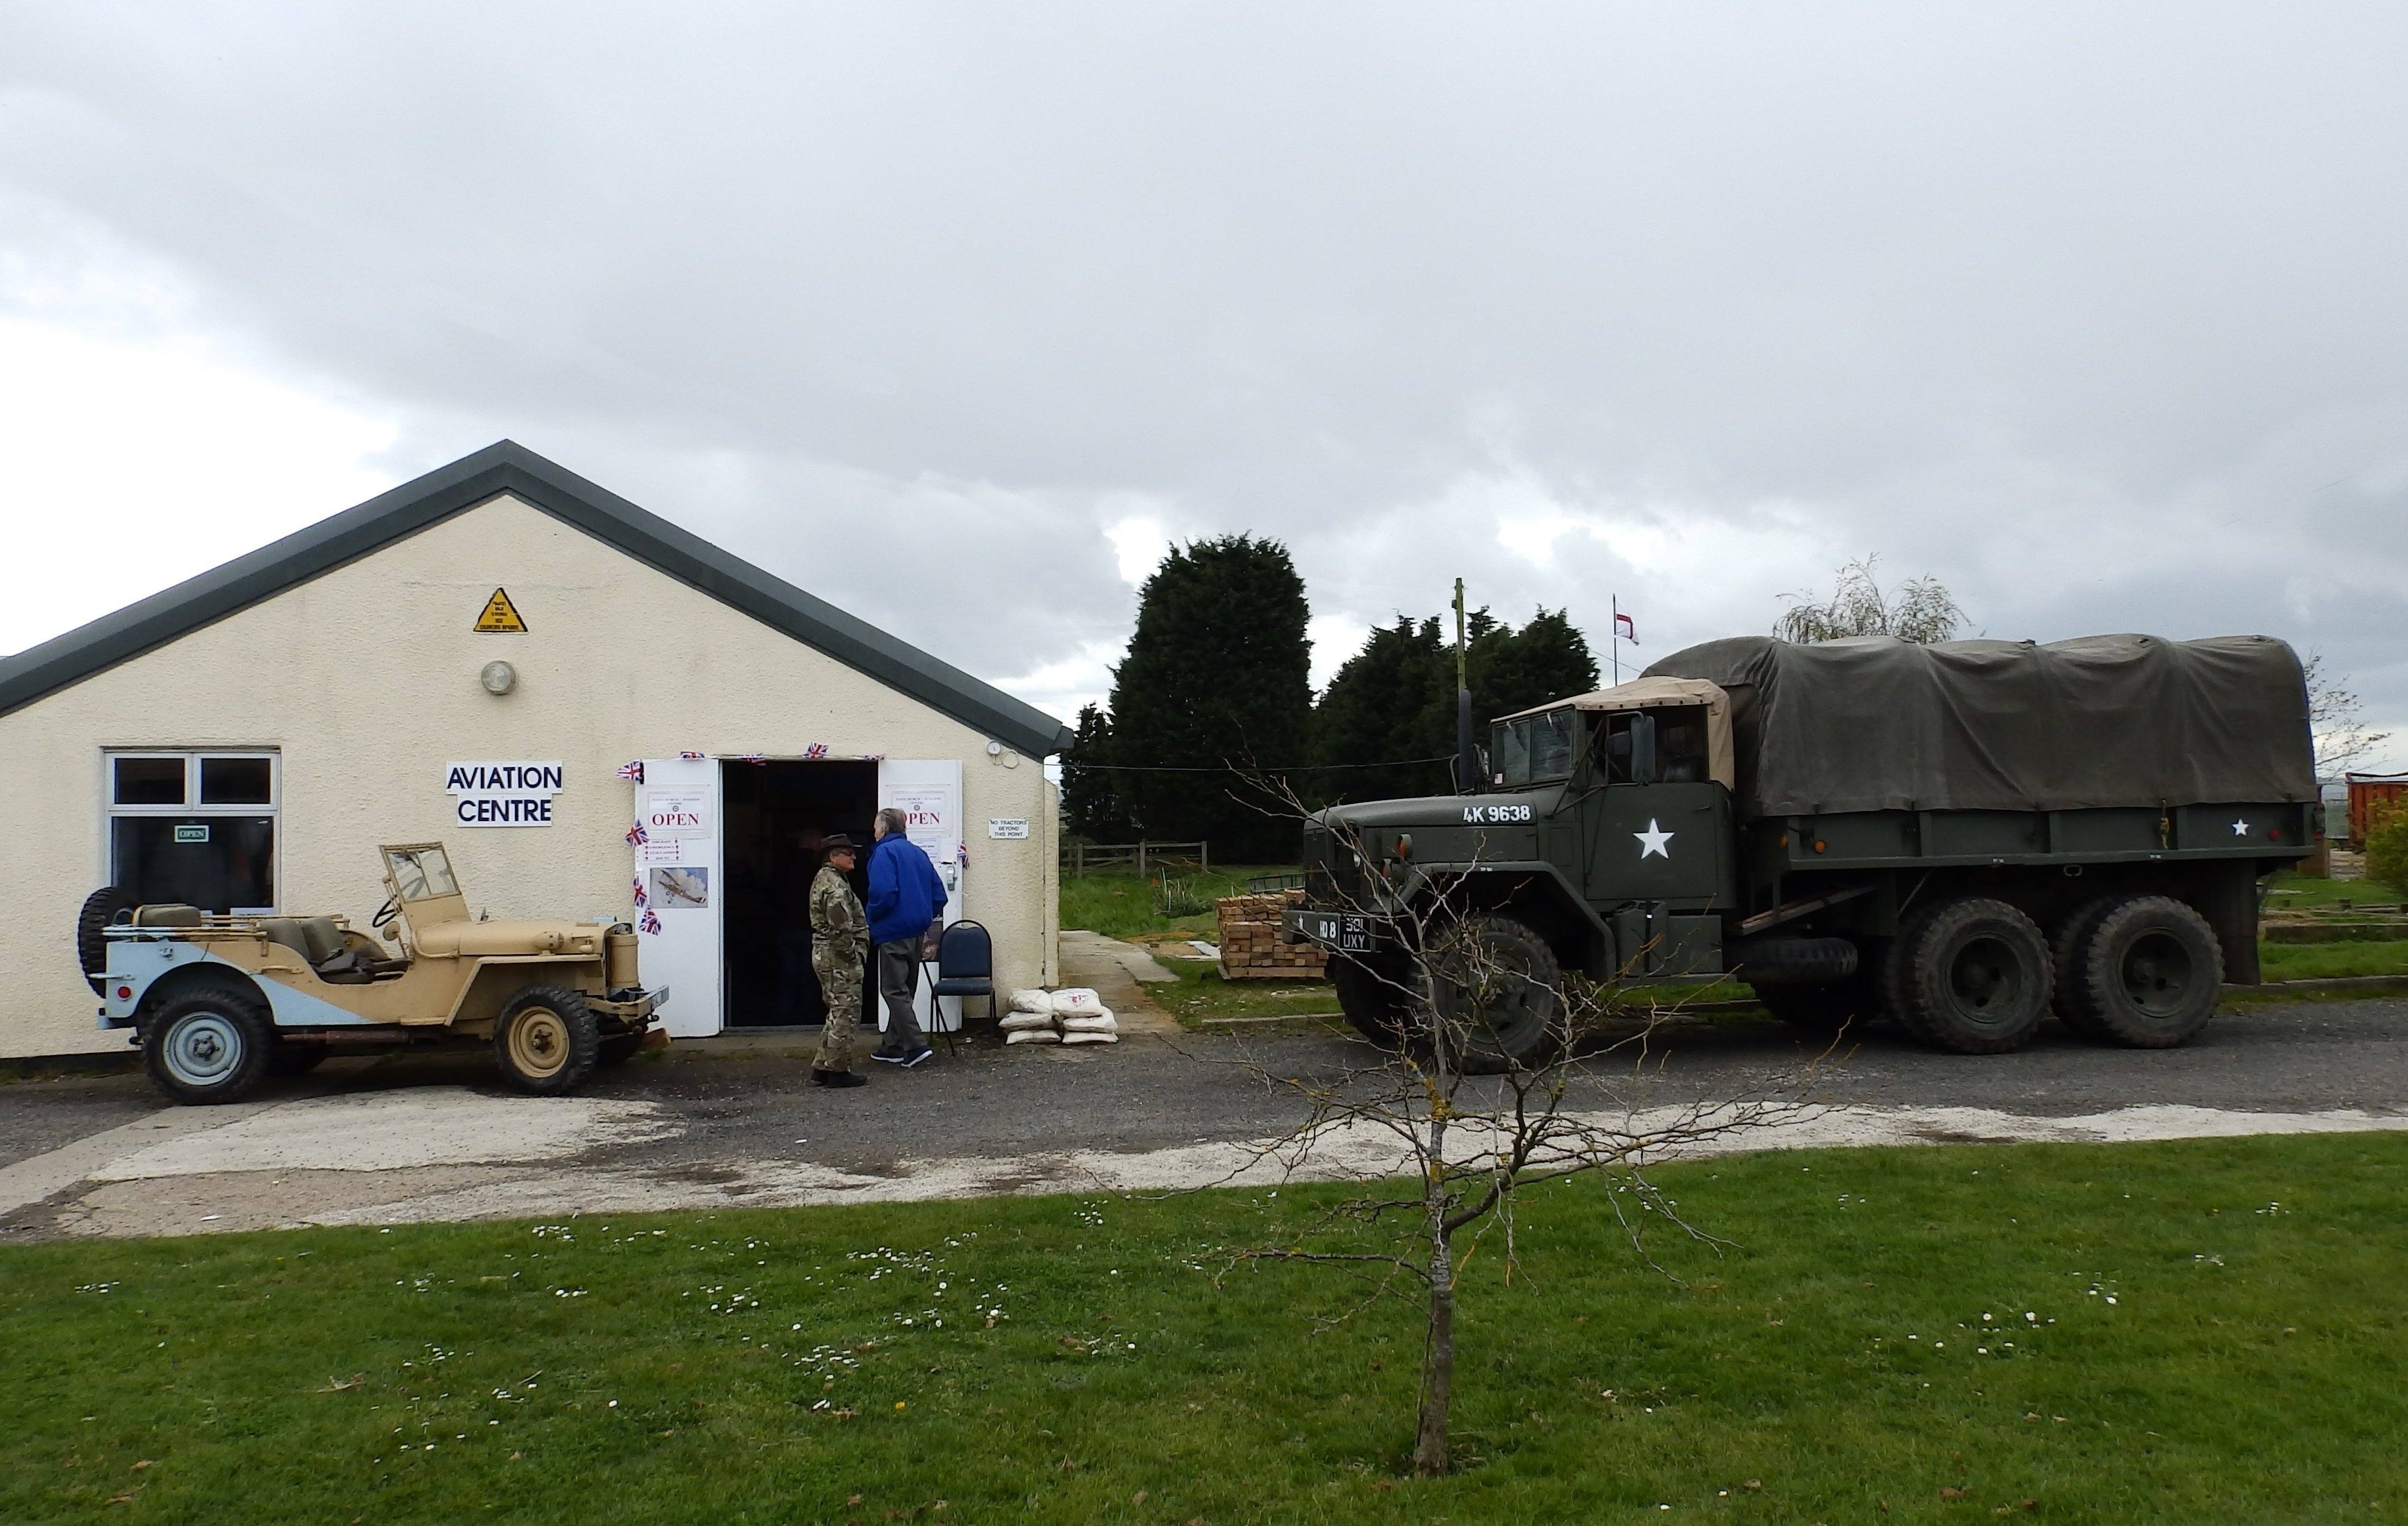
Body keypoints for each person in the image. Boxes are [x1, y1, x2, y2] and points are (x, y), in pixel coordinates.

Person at [865, 806, 947, 1068]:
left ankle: (916, 1045)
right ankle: (892, 1046)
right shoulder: (919, 853)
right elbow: (939, 896)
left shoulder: (883, 853)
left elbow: (883, 893)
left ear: (884, 828)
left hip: (892, 932)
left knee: (892, 990)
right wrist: (922, 917)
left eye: (876, 826)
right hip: (916, 932)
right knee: (905, 991)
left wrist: (872, 917)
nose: (873, 831)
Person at [807, 833, 870, 1088]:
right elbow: (841, 927)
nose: (854, 857)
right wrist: (854, 954)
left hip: (830, 954)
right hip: (838, 957)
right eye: (848, 853)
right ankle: (838, 1070)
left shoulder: (830, 879)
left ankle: (823, 1066)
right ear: (834, 857)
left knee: (837, 1010)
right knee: (846, 1012)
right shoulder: (834, 886)